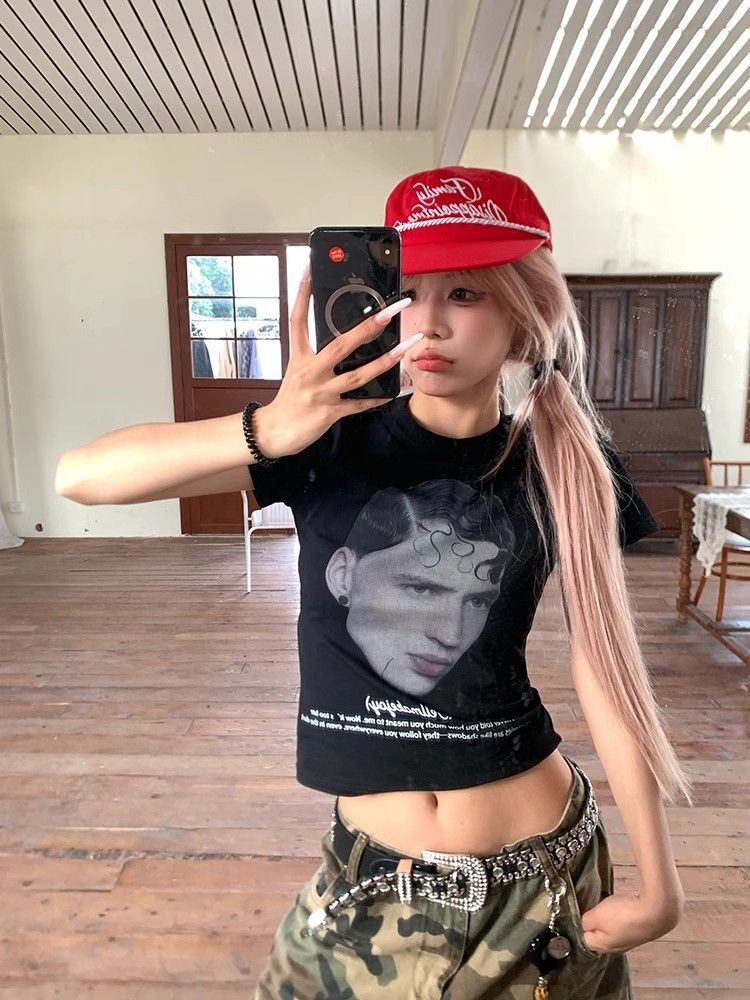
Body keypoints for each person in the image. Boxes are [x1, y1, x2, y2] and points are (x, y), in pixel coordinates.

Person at [55, 166, 690, 999]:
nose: (428, 323)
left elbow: (605, 667)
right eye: (408, 293)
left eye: (465, 293)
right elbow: (81, 477)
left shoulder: (563, 461)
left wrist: (661, 884)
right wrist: (271, 425)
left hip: (540, 881)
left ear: (523, 312)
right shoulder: (325, 441)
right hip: (367, 875)